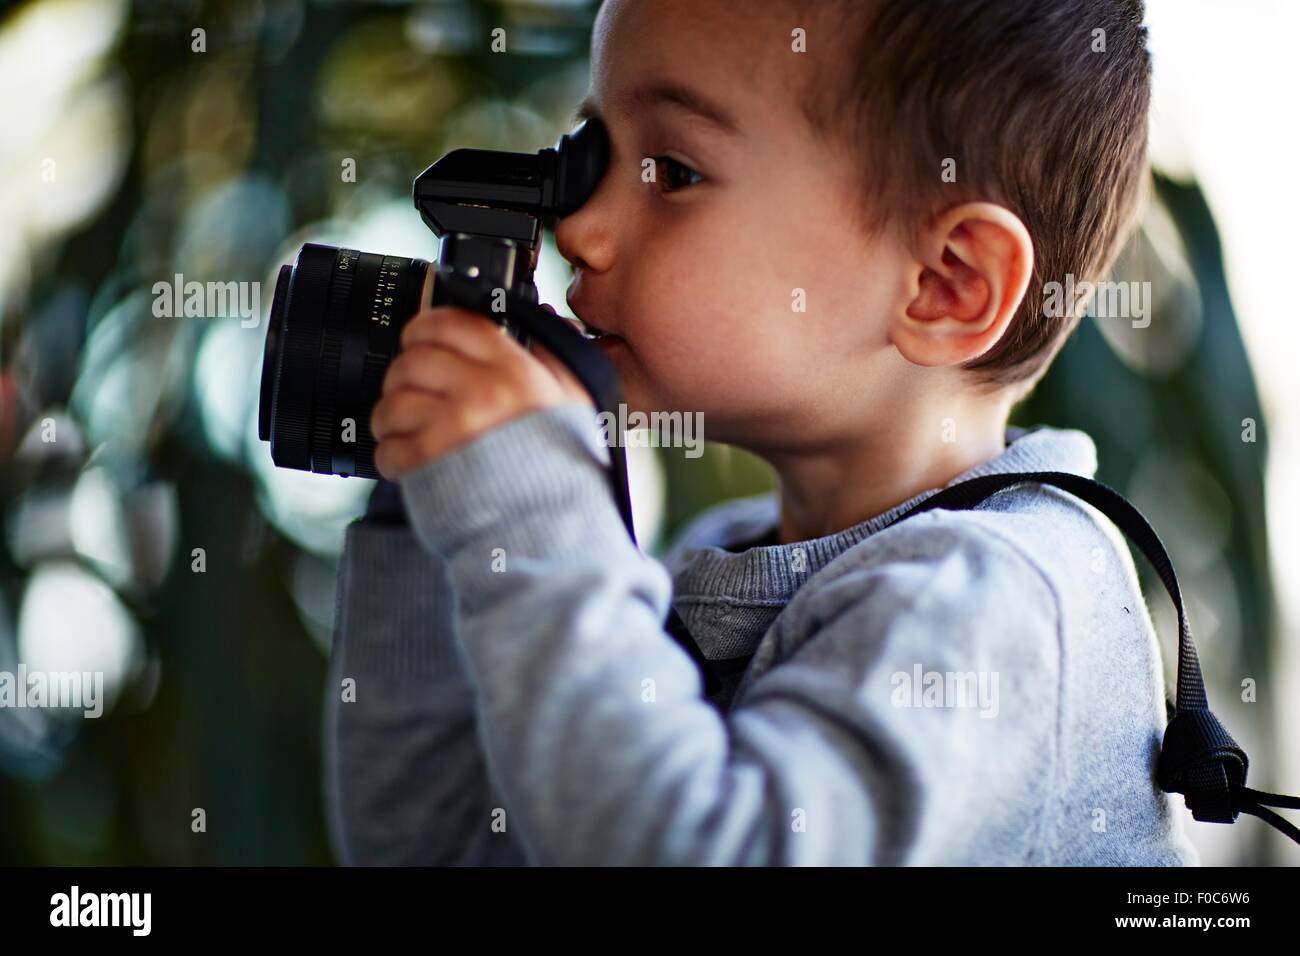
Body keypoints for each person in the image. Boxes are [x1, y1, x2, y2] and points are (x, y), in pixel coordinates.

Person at [324, 0, 1198, 865]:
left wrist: (531, 512)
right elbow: (435, 847)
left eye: (671, 171)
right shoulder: (721, 559)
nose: (580, 230)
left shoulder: (992, 600)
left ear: (945, 283)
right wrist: (437, 508)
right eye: (596, 152)